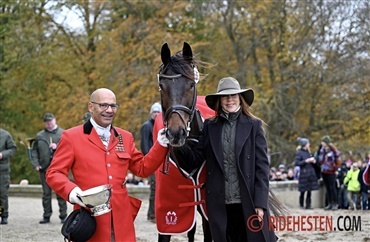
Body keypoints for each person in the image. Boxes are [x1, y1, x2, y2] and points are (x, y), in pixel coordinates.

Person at [46, 88, 169, 241]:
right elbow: (54, 173)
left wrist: (161, 144)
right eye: (103, 105)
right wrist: (73, 192)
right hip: (90, 221)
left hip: (122, 221)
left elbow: (143, 168)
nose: (109, 110)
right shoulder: (71, 137)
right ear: (91, 107)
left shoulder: (125, 137)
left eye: (113, 106)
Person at [173, 77, 277, 241]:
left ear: (240, 98)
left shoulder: (254, 126)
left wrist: (260, 204)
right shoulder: (209, 126)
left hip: (248, 201)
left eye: (233, 95)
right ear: (219, 101)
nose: (230, 100)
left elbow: (262, 169)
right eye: (225, 96)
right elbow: (195, 159)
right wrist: (177, 144)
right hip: (219, 203)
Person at [30, 113, 67, 224]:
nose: (49, 124)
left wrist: (57, 146)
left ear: (55, 120)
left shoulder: (63, 134)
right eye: (46, 122)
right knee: (46, 194)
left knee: (61, 193)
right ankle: (46, 215)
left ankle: (63, 216)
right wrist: (36, 163)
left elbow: (69, 149)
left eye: (50, 121)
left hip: (59, 168)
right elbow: (34, 151)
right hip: (44, 168)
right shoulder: (40, 135)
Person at [140, 102, 161, 223]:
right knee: (154, 188)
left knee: (158, 188)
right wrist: (150, 160)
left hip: (159, 161)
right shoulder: (147, 126)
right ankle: (152, 214)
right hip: (152, 162)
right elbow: (145, 145)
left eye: (158, 112)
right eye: (154, 112)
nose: (156, 114)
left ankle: (155, 213)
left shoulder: (159, 125)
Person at [294, 137, 319, 209]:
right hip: (304, 173)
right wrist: (306, 161)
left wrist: (313, 161)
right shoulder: (299, 152)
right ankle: (301, 204)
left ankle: (308, 205)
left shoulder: (308, 152)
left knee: (309, 190)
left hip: (310, 173)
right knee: (302, 190)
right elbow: (297, 163)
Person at [317, 135, 341, 210]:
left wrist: (335, 168)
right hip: (324, 170)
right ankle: (330, 203)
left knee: (332, 187)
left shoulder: (333, 150)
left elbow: (338, 159)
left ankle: (335, 203)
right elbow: (320, 159)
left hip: (331, 171)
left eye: (323, 142)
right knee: (327, 187)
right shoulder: (322, 150)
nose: (322, 143)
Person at [0, 128, 17, 225]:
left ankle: (3, 215)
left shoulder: (5, 135)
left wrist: (2, 154)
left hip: (2, 171)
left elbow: (13, 149)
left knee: (2, 194)